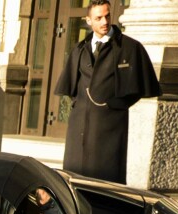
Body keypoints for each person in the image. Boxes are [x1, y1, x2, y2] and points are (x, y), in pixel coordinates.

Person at [53, 1, 159, 184]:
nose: (104, 21)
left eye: (107, 16)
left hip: (110, 128)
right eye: (98, 18)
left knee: (105, 185)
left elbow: (141, 87)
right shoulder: (80, 49)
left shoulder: (130, 47)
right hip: (79, 128)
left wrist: (114, 105)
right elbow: (71, 86)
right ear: (88, 21)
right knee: (75, 184)